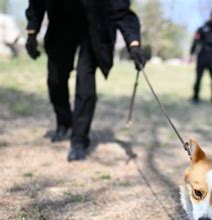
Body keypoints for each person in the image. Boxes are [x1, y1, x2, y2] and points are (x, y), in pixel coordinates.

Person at [25, 0, 146, 161]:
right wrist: (32, 32)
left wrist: (134, 44)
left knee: (85, 79)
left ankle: (79, 140)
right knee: (55, 78)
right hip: (62, 23)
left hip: (94, 27)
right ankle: (64, 121)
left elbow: (121, 10)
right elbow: (36, 3)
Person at [190, 8, 212, 106]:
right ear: (211, 16)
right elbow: (195, 41)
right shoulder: (202, 28)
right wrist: (192, 54)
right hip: (202, 54)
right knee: (198, 77)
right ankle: (195, 97)